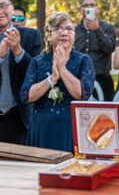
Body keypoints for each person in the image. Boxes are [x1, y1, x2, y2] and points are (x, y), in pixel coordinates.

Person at [20, 12, 95, 152]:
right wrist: (52, 78)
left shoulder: (83, 60)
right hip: (42, 128)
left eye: (68, 28)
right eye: (58, 28)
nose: (64, 32)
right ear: (48, 35)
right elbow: (27, 96)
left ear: (74, 35)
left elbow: (82, 94)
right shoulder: (37, 61)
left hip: (71, 127)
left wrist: (62, 69)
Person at [0, 0, 42, 144]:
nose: (0, 12)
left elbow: (38, 74)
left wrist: (18, 51)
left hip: (19, 118)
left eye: (3, 6)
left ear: (12, 9)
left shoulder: (30, 36)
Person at [74, 0, 116, 101]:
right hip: (79, 79)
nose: (89, 8)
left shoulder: (107, 27)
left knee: (105, 115)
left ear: (97, 8)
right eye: (86, 5)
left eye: (92, 5)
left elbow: (110, 48)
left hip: (102, 78)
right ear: (80, 9)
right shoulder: (74, 30)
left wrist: (97, 29)